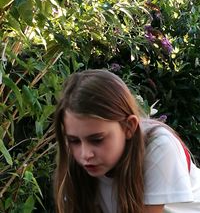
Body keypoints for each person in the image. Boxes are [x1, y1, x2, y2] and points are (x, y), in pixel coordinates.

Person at [53, 69, 200, 213]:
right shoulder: (77, 161)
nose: (85, 154)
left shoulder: (159, 146)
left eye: (97, 140)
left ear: (129, 127)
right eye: (73, 141)